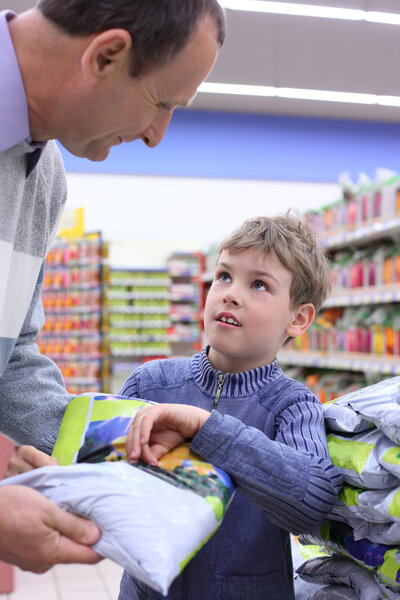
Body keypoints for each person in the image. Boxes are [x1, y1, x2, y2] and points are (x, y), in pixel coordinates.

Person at [0, 0, 224, 573]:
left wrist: (114, 445)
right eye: (161, 103)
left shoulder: (43, 179)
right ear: (106, 55)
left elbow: (15, 354)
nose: (156, 136)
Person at [118, 213, 343, 599]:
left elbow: (313, 500)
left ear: (299, 318)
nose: (230, 293)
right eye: (224, 276)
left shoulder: (292, 406)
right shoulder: (150, 384)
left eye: (258, 284)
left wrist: (207, 428)